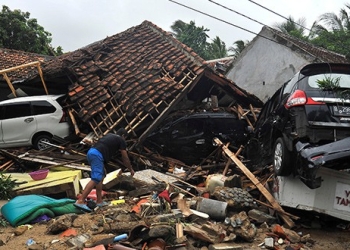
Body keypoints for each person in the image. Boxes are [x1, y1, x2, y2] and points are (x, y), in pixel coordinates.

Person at [74, 128, 135, 212]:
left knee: (101, 176)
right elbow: (125, 157)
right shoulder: (121, 140)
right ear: (123, 136)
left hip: (91, 152)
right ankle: (80, 201)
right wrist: (130, 169)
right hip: (97, 155)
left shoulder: (109, 135)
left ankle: (99, 201)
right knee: (96, 178)